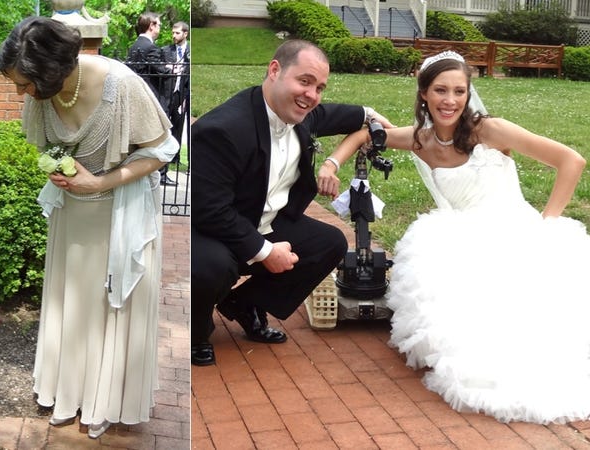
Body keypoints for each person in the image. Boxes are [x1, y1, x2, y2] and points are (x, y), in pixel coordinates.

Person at [323, 51, 589, 424]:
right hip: (459, 236)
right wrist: (331, 162)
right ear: (424, 95)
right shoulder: (420, 139)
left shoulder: (489, 130)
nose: (450, 100)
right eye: (441, 90)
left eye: (459, 91)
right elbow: (367, 134)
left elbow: (571, 161)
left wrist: (547, 226)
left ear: (468, 95)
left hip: (513, 230)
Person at [0, 17, 178, 438]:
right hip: (72, 214)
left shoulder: (122, 86)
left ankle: (104, 402)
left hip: (121, 212)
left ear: (55, 72)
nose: (20, 93)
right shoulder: (41, 94)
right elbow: (48, 147)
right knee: (72, 304)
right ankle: (68, 394)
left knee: (110, 306)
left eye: (24, 85)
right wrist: (60, 172)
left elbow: (163, 150)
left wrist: (100, 181)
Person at [191, 39, 393, 367]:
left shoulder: (299, 113)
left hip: (266, 220)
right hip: (216, 232)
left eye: (320, 87)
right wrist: (265, 251)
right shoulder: (223, 130)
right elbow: (211, 211)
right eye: (304, 81)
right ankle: (197, 333)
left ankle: (244, 304)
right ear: (275, 71)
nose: (312, 95)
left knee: (331, 243)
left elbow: (333, 114)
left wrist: (369, 115)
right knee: (210, 267)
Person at [126, 12, 177, 186]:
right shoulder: (150, 47)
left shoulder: (134, 46)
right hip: (152, 99)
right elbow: (161, 72)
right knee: (159, 137)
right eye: (159, 24)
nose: (160, 28)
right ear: (151, 26)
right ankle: (159, 173)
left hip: (135, 98)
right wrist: (171, 69)